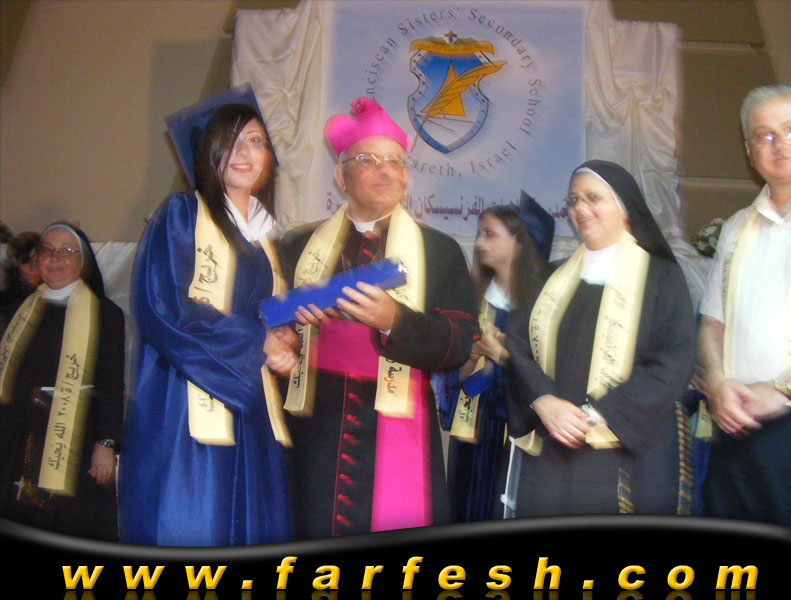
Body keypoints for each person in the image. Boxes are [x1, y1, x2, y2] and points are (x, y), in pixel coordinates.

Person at [280, 96, 479, 539]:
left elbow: (459, 343)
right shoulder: (299, 245)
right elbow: (270, 331)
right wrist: (286, 334)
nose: (385, 171)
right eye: (367, 160)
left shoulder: (440, 250)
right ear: (341, 176)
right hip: (315, 427)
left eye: (395, 162)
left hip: (400, 423)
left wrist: (395, 320)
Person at [118, 87, 298, 546]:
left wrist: (285, 341)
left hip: (248, 403)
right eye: (229, 142)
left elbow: (265, 315)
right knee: (197, 522)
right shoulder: (182, 214)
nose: (244, 153)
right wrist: (257, 342)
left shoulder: (266, 239)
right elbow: (163, 306)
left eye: (255, 141)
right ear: (207, 154)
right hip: (186, 396)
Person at [503, 159, 696, 517]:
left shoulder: (662, 277)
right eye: (573, 200)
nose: (580, 208)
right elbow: (516, 346)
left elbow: (673, 360)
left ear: (624, 207)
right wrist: (543, 401)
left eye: (593, 198)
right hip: (554, 450)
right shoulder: (549, 278)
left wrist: (595, 414)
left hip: (625, 454)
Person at [695, 85, 791, 528]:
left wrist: (782, 391)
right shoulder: (738, 226)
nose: (780, 145)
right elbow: (711, 322)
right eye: (765, 135)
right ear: (748, 151)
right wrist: (718, 381)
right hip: (738, 424)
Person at [0, 222, 125, 541]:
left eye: (66, 251)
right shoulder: (19, 310)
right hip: (19, 432)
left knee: (67, 523)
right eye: (47, 251)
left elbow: (111, 384)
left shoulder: (104, 313)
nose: (55, 258)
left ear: (82, 262)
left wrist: (106, 444)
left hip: (75, 438)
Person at [443, 201, 552, 523]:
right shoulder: (472, 298)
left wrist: (503, 355)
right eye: (480, 234)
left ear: (518, 240)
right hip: (474, 426)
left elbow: (549, 372)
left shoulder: (544, 304)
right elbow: (453, 378)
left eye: (490, 234)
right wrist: (473, 354)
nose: (479, 243)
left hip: (521, 424)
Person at [0, 231, 42, 321]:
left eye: (39, 261)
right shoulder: (7, 303)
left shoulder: (58, 295)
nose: (34, 268)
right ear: (16, 265)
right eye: (26, 262)